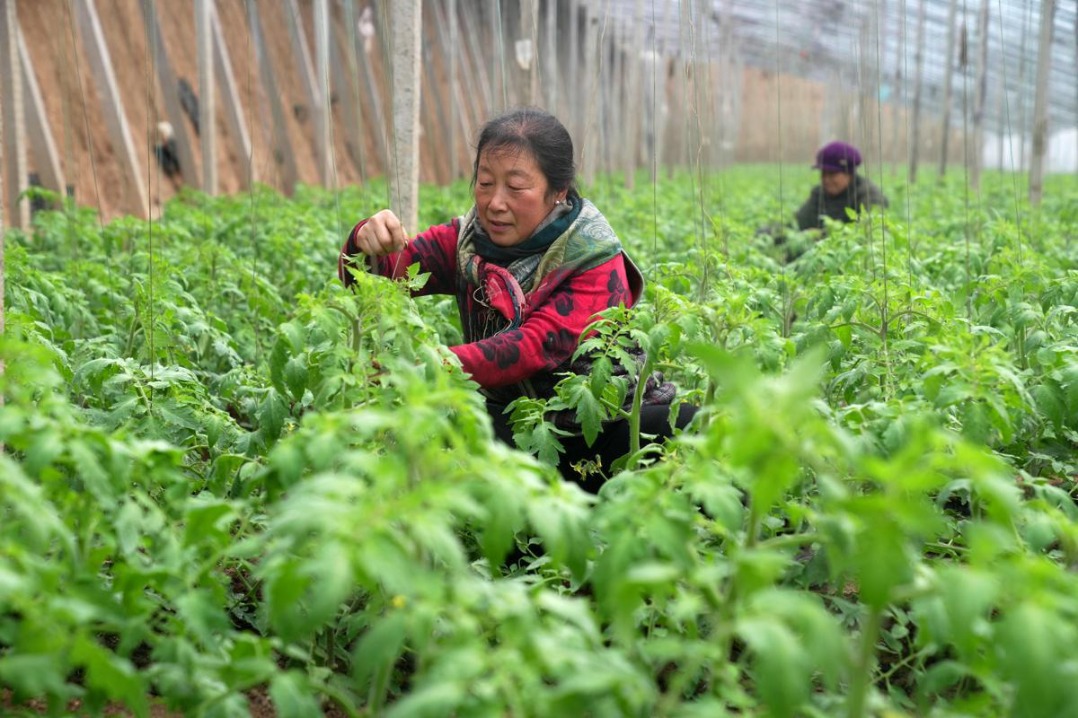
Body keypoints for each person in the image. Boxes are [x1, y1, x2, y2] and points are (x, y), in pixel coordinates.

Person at [339, 107, 695, 492]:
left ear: (558, 191)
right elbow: (379, 277)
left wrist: (424, 367)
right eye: (486, 182)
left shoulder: (592, 258)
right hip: (513, 425)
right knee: (447, 434)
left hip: (602, 431)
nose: (495, 202)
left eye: (515, 186)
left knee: (691, 435)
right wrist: (365, 241)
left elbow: (531, 347)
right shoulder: (466, 242)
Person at [794, 140, 888, 231]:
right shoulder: (819, 194)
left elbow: (873, 232)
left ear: (849, 173)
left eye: (832, 174)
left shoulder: (868, 195)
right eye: (823, 173)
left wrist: (819, 235)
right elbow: (796, 223)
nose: (826, 180)